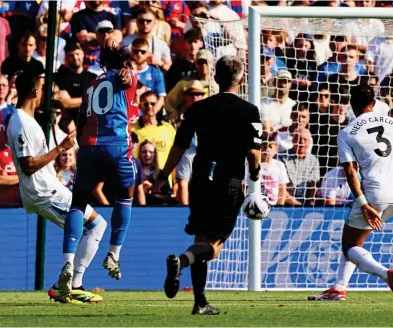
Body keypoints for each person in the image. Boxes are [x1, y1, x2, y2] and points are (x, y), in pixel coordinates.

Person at [152, 55, 262, 315]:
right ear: (242, 79)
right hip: (228, 182)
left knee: (200, 238)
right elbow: (254, 153)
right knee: (212, 248)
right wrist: (255, 174)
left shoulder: (198, 108)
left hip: (200, 181)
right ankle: (182, 261)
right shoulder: (249, 111)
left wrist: (161, 177)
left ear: (215, 78)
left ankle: (200, 302)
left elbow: (179, 147)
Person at [6, 71, 106, 303]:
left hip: (49, 187)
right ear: (34, 91)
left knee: (92, 227)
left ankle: (65, 285)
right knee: (97, 225)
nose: (44, 93)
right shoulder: (20, 121)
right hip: (41, 191)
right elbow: (29, 165)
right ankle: (73, 285)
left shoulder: (28, 120)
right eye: (42, 88)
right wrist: (61, 148)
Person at [308, 84, 393, 302]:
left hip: (374, 193)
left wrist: (363, 203)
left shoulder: (346, 133)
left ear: (352, 105)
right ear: (374, 102)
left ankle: (386, 274)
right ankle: (339, 288)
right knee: (357, 243)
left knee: (349, 246)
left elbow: (351, 171)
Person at [65, 39, 137, 286]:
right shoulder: (126, 74)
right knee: (126, 195)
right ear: (124, 62)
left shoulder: (91, 85)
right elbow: (126, 77)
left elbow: (80, 117)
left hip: (88, 147)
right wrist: (125, 75)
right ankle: (114, 255)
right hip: (116, 145)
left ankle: (67, 261)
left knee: (78, 203)